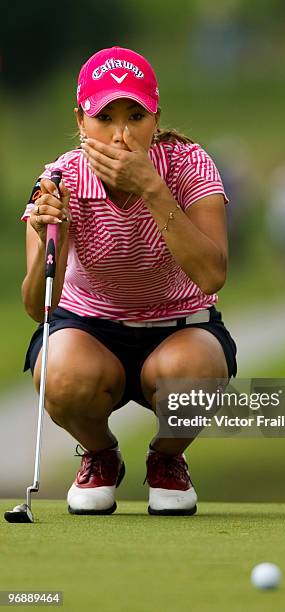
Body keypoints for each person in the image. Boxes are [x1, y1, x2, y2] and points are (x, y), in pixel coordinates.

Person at [21, 46, 238, 517]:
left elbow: (212, 273)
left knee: (195, 375)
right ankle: (100, 455)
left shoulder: (188, 165)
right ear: (81, 122)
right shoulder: (59, 179)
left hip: (181, 325)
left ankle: (166, 459)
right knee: (59, 374)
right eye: (105, 117)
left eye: (135, 115)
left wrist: (151, 188)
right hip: (88, 330)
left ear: (155, 119)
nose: (121, 135)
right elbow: (38, 306)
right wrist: (44, 236)